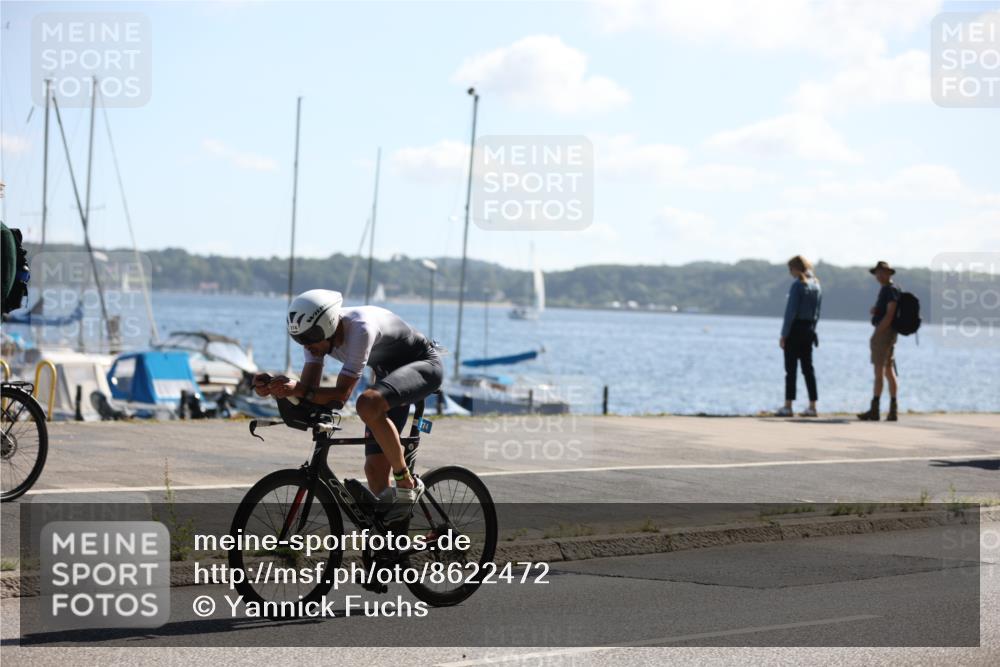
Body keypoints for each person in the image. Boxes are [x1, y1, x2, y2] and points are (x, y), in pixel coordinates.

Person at [253, 289, 443, 517]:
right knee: (374, 471)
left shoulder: (360, 329)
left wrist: (298, 388)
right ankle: (391, 541)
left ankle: (406, 483)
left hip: (423, 365)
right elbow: (308, 392)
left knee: (367, 404)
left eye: (309, 337)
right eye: (298, 338)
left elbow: (341, 395)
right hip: (388, 375)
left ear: (330, 325)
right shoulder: (315, 340)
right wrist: (277, 387)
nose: (305, 344)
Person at [777, 255, 822, 417]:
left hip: (795, 329)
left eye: (790, 269)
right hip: (809, 329)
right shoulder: (816, 285)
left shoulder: (797, 285)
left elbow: (791, 312)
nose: (790, 272)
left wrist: (784, 334)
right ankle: (812, 406)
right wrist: (812, 330)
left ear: (796, 268)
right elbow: (817, 312)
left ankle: (788, 406)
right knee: (808, 369)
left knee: (791, 370)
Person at [858, 261, 899, 422]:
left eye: (882, 272)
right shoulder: (889, 290)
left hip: (884, 334)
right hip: (889, 334)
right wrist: (876, 311)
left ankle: (875, 410)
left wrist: (877, 332)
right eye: (877, 273)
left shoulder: (890, 290)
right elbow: (887, 312)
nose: (879, 276)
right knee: (889, 371)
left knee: (879, 372)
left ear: (889, 273)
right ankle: (892, 410)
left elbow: (890, 315)